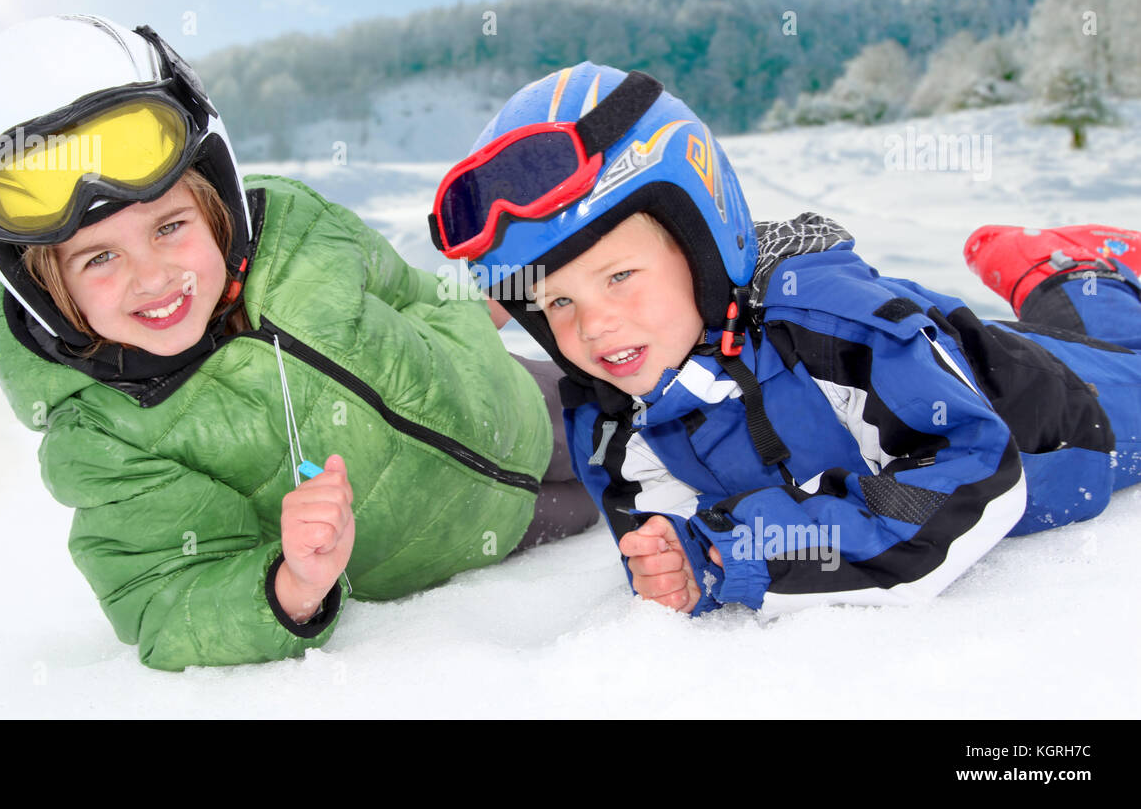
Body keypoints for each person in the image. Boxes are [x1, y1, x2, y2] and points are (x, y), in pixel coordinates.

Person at [0, 15, 593, 670]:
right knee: (630, 482)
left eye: (170, 226)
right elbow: (166, 600)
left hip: (512, 389)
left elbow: (403, 291)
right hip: (469, 535)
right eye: (99, 259)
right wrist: (291, 587)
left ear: (217, 200)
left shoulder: (297, 231)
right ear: (45, 290)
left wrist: (469, 313)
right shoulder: (107, 440)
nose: (152, 276)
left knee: (648, 405)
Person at [428, 61, 1141, 616]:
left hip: (1061, 405)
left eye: (619, 276)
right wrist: (686, 561)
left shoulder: (832, 326)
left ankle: (1071, 270)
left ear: (704, 243)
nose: (593, 325)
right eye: (557, 300)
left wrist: (746, 554)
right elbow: (671, 533)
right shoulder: (611, 414)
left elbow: (975, 475)